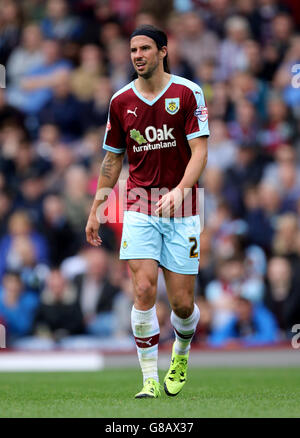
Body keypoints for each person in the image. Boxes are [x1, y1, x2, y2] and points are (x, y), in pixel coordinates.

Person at [85, 25, 209, 399]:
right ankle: (149, 379)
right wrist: (96, 210)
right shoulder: (121, 101)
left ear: (163, 51)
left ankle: (182, 353)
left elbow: (200, 151)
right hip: (140, 202)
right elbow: (112, 160)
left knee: (183, 305)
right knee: (141, 289)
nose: (137, 55)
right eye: (133, 50)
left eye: (144, 49)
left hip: (183, 205)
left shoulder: (188, 92)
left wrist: (181, 190)